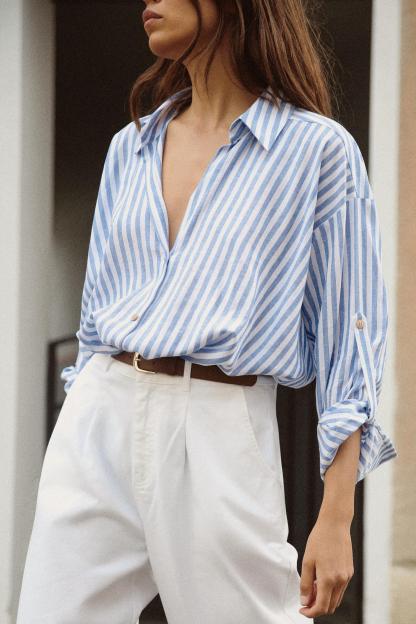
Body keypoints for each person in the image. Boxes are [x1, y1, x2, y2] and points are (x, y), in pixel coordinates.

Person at [16, 0, 398, 622]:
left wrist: (336, 517)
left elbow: (349, 334)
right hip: (100, 412)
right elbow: (95, 313)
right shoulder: (131, 146)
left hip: (219, 423)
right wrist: (82, 410)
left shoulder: (315, 150)